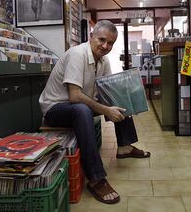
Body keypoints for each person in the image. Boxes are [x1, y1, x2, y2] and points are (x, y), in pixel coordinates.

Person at [39, 20, 150, 204]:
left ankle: (124, 147)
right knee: (82, 109)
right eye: (102, 40)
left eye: (110, 43)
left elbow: (106, 92)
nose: (105, 46)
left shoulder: (103, 60)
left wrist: (127, 101)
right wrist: (106, 110)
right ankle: (96, 178)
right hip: (55, 108)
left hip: (75, 106)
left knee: (118, 97)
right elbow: (75, 96)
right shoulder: (77, 54)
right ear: (91, 36)